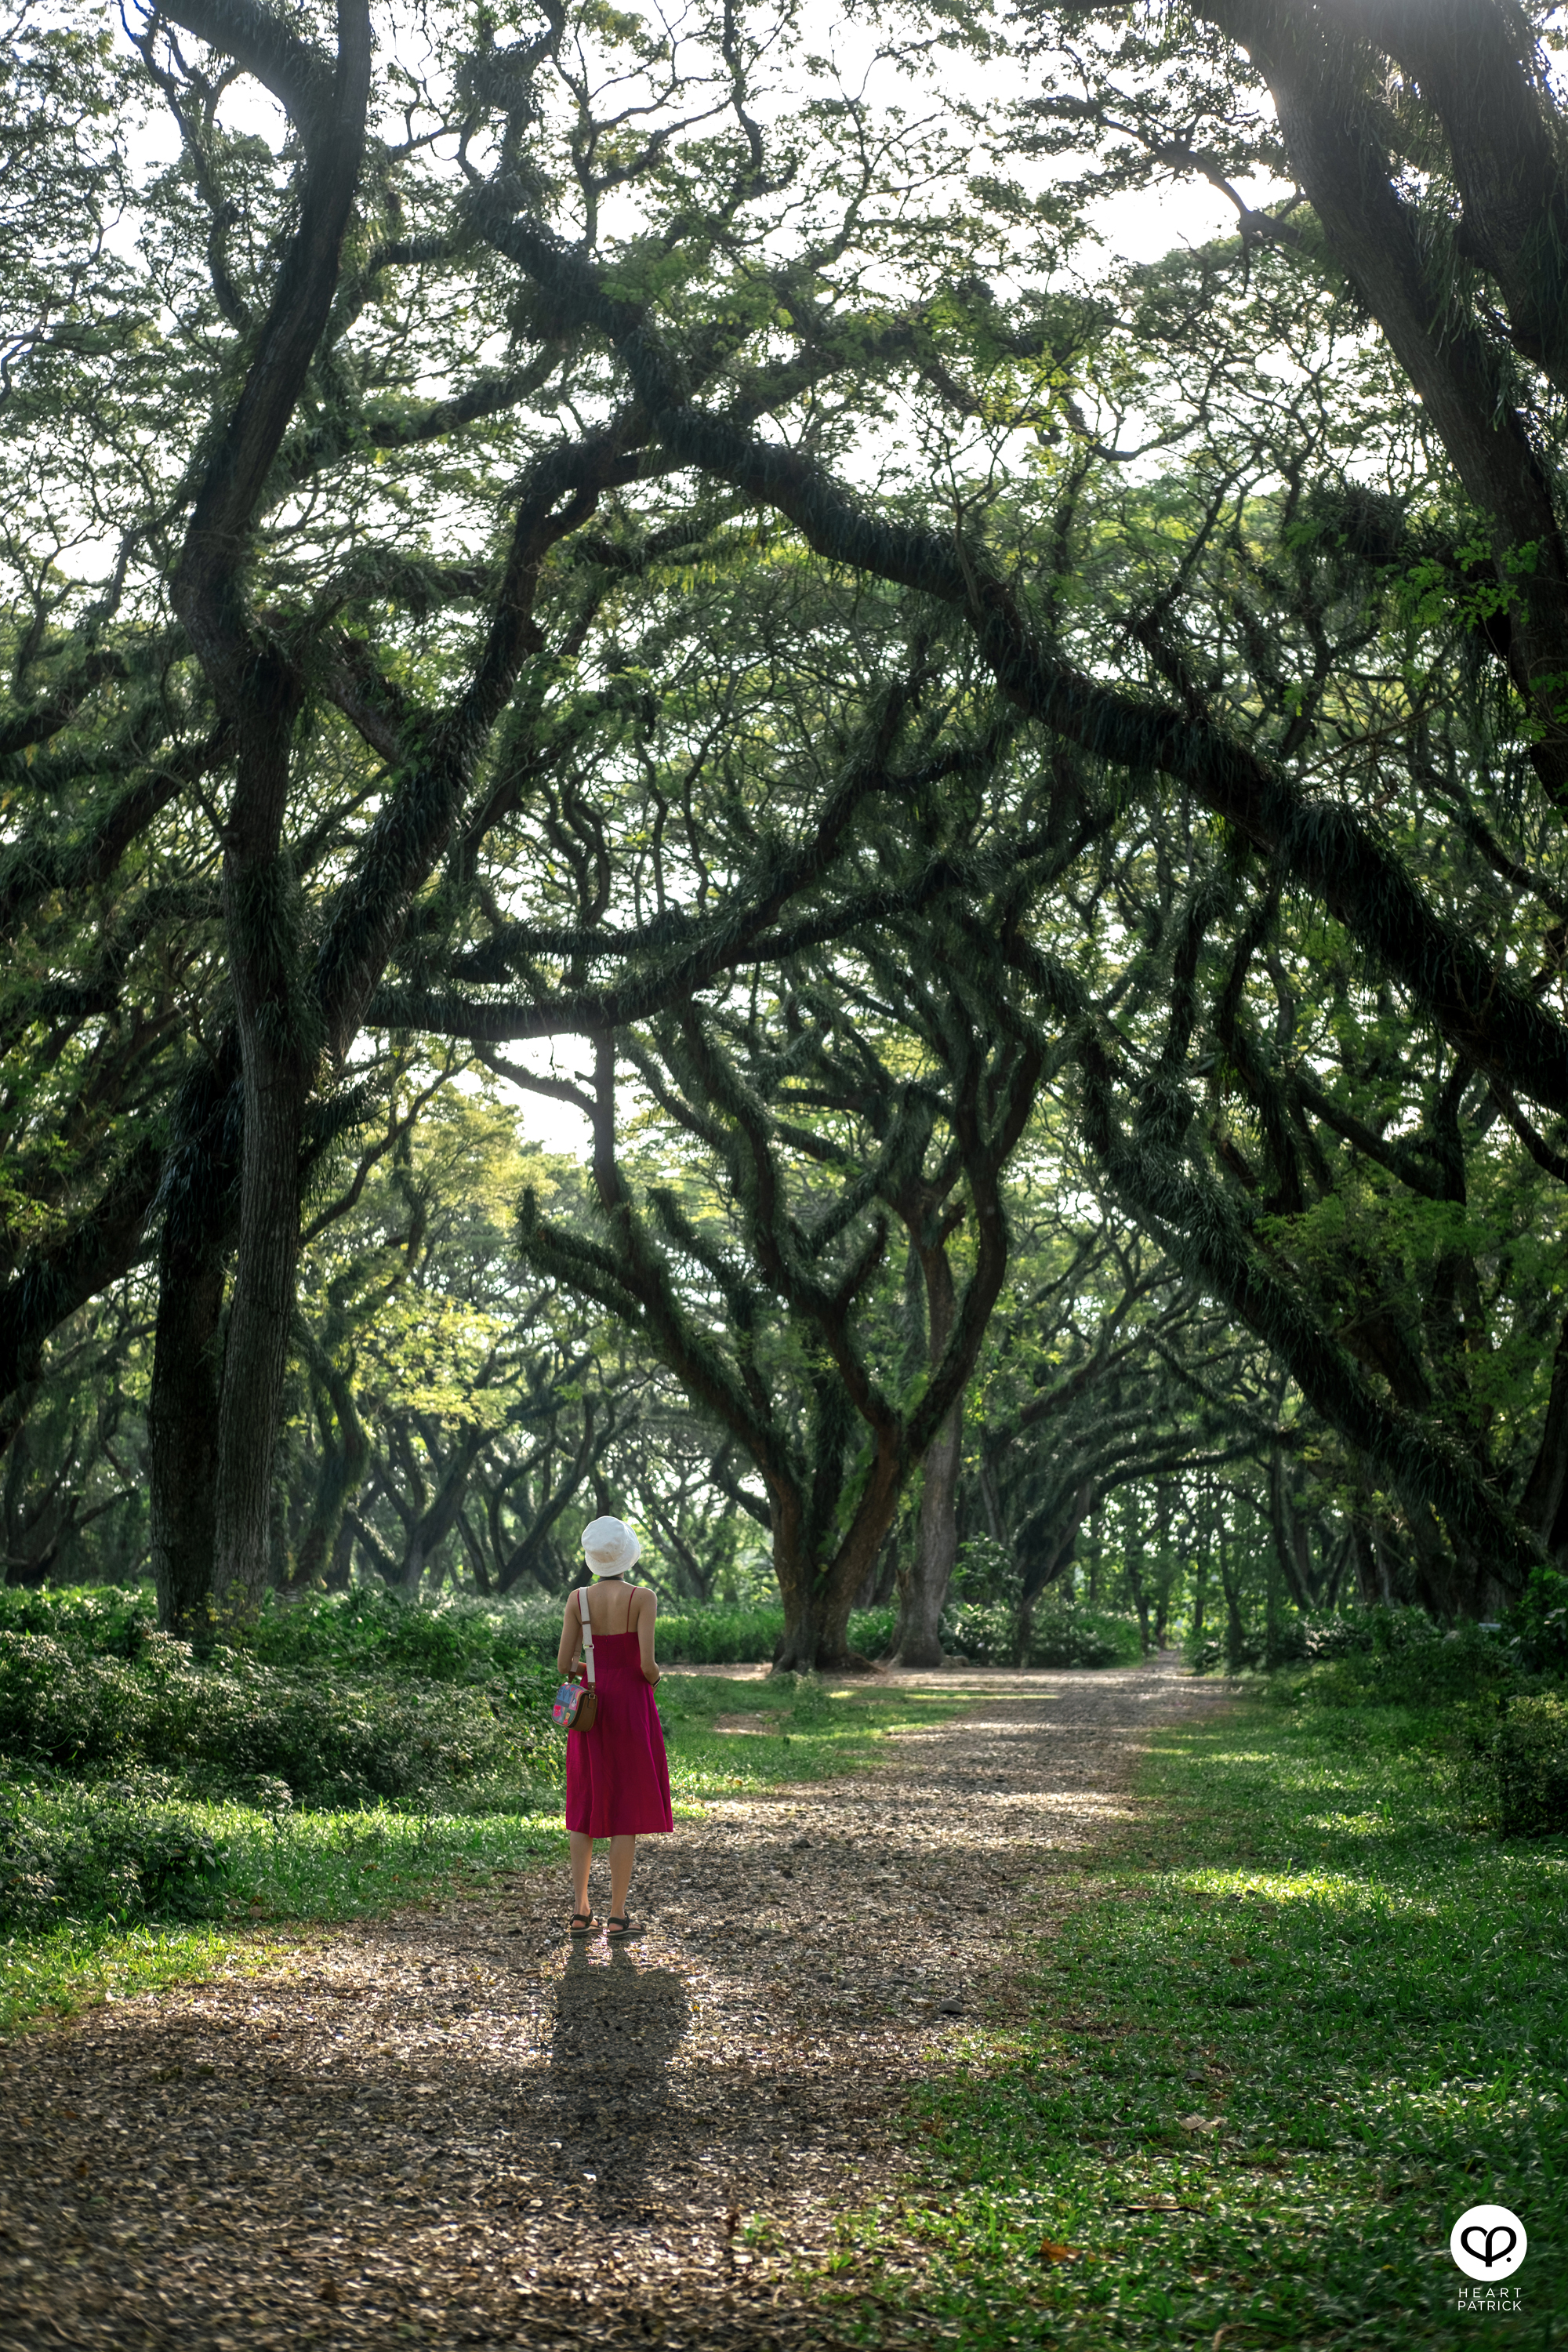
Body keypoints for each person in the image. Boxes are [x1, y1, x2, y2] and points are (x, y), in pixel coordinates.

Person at [557, 1515, 673, 1940]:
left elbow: (563, 1664)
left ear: (593, 1558)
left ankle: (580, 1911)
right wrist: (656, 1678)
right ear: (626, 1555)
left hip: (590, 1707)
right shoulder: (643, 1597)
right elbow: (645, 1664)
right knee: (624, 1807)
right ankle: (618, 1915)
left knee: (585, 1803)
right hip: (630, 1705)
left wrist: (595, 1669)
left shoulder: (578, 1599)